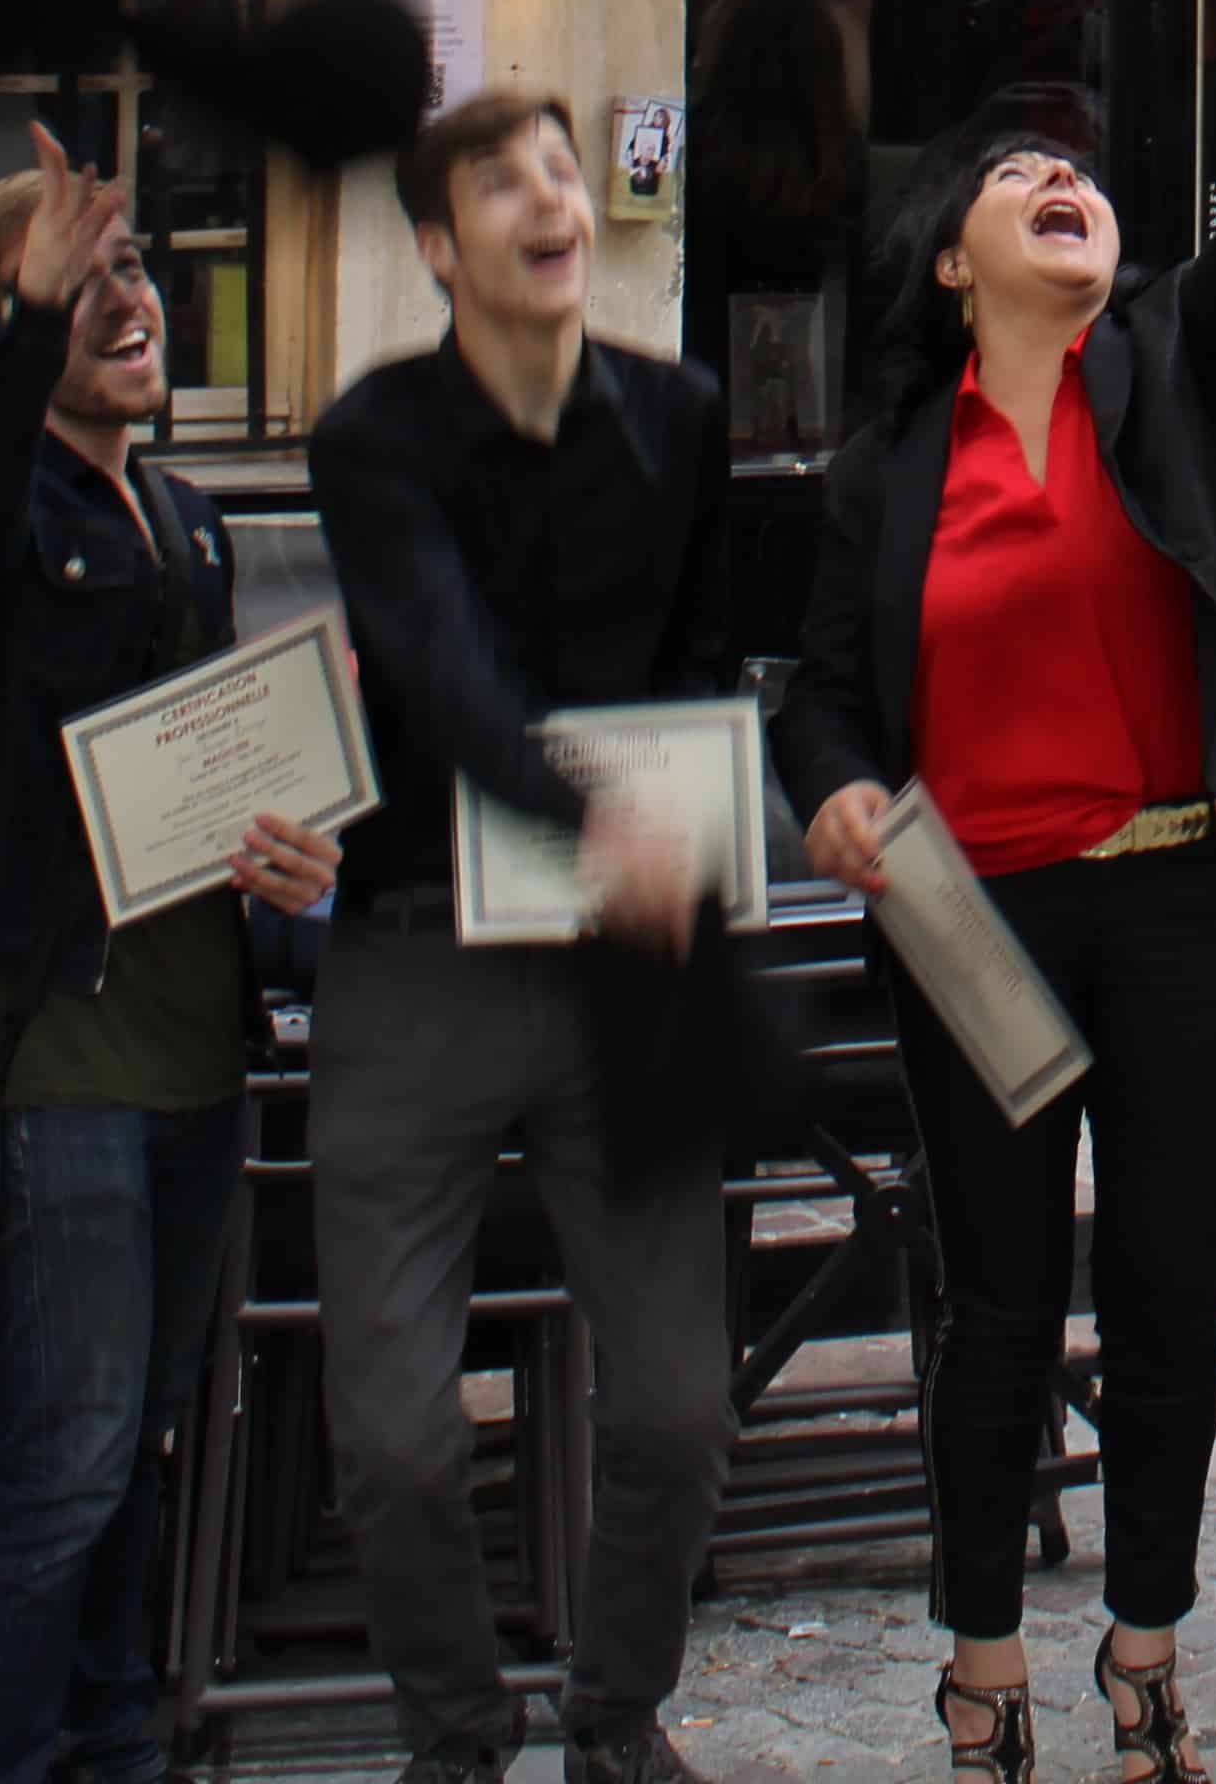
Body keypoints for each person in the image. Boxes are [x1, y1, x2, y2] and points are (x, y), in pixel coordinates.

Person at [777, 0, 1216, 1784]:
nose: (1063, 185)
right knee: (1002, 1298)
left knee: (1168, 1291)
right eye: (1021, 174)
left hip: (1188, 893)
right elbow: (825, 706)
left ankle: (1147, 1652)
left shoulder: (1174, 370)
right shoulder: (886, 470)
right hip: (977, 914)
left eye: (1085, 178)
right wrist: (839, 792)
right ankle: (986, 1661)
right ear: (954, 256)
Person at [0, 134, 347, 1784]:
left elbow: (216, 778)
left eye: (136, 267)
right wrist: (22, 329)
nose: (129, 297)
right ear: (8, 324)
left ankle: (113, 1751)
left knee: (142, 1440)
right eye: (85, 279)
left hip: (194, 1040)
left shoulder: (189, 517)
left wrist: (300, 880)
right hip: (56, 1038)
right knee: (61, 1458)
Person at [298, 86, 749, 1784]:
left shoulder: (680, 412)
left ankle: (617, 1724)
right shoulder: (371, 438)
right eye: (507, 184)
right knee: (398, 1438)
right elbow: (442, 670)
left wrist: (705, 844)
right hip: (416, 954)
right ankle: (454, 1739)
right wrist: (594, 816)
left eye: (566, 170)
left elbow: (707, 670)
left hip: (627, 956)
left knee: (676, 1412)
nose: (555, 199)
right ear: (439, 246)